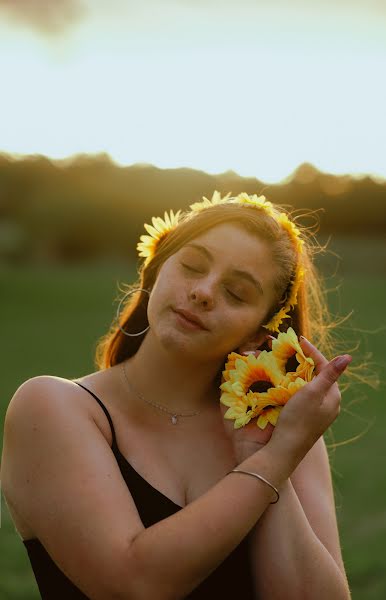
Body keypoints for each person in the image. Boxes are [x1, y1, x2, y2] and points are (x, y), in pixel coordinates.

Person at [1, 191, 352, 599]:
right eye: (191, 266)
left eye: (236, 293)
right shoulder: (51, 407)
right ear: (155, 270)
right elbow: (132, 585)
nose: (203, 291)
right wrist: (272, 463)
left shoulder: (288, 430)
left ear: (260, 331)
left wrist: (270, 451)